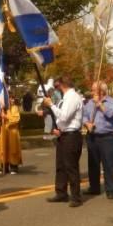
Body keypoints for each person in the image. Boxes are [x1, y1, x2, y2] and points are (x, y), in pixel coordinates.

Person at [43, 76, 83, 207]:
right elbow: (63, 120)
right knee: (60, 166)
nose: (56, 90)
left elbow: (65, 116)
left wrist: (51, 105)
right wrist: (59, 129)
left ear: (62, 85)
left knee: (71, 167)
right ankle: (61, 193)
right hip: (63, 135)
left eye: (56, 86)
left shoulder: (73, 97)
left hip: (71, 137)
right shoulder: (66, 98)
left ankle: (76, 197)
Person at [82, 81, 113, 199]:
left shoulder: (112, 102)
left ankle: (111, 190)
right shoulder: (89, 103)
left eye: (94, 90)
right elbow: (83, 115)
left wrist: (100, 104)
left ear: (101, 91)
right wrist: (87, 123)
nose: (92, 92)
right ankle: (94, 187)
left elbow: (112, 115)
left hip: (107, 137)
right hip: (92, 136)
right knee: (93, 164)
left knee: (109, 165)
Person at [0, 95, 22, 174]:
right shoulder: (1, 108)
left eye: (12, 98)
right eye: (10, 98)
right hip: (3, 131)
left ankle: (13, 167)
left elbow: (16, 119)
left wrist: (6, 116)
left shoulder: (14, 108)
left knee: (12, 149)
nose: (11, 100)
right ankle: (4, 166)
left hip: (12, 132)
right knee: (2, 148)